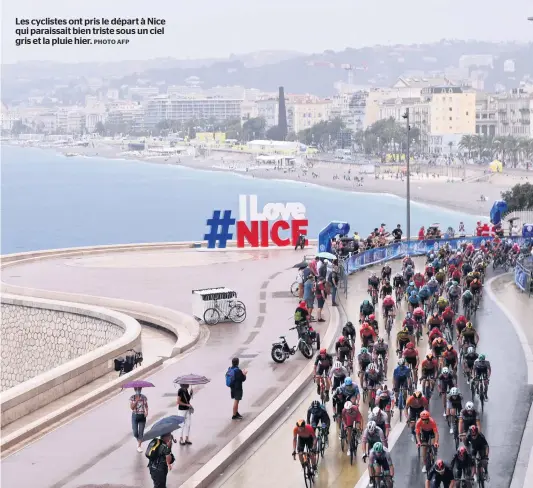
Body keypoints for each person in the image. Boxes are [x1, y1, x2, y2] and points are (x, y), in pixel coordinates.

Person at [130, 387, 149, 452]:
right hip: (135, 416)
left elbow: (146, 405)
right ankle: (138, 439)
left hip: (142, 416)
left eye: (139, 389)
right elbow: (132, 407)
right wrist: (136, 401)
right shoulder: (132, 398)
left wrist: (146, 411)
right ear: (135, 390)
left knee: (141, 431)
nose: (138, 391)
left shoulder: (144, 397)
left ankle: (139, 445)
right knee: (135, 432)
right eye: (137, 390)